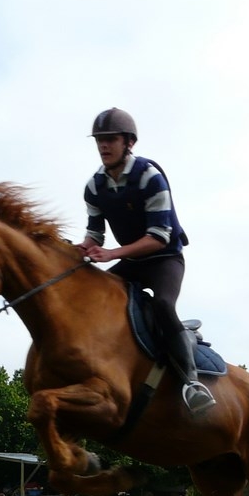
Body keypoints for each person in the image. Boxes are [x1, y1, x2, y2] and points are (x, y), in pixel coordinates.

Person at [75, 108, 215, 413]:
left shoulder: (149, 176)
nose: (103, 145)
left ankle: (192, 382)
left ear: (129, 142)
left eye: (110, 139)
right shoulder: (94, 186)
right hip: (134, 260)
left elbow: (159, 237)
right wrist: (78, 249)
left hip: (165, 258)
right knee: (94, 295)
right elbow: (94, 235)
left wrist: (112, 254)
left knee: (163, 304)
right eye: (99, 140)